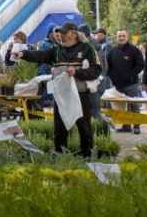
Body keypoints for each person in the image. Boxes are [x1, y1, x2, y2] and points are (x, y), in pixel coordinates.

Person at [12, 21, 101, 158]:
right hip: (61, 96)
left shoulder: (87, 48)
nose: (61, 36)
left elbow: (96, 71)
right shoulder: (57, 49)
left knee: (84, 129)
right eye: (59, 33)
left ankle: (87, 157)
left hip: (80, 95)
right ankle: (60, 158)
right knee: (59, 130)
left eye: (64, 33)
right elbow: (40, 55)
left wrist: (77, 72)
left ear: (74, 33)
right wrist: (23, 54)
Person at [107, 30, 145, 134]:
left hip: (132, 84)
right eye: (119, 36)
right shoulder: (112, 52)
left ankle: (136, 125)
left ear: (127, 37)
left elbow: (141, 65)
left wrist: (131, 75)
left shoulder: (134, 50)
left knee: (133, 105)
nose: (121, 38)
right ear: (116, 37)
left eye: (123, 36)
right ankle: (126, 126)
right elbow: (108, 67)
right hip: (118, 85)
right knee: (121, 107)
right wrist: (112, 78)